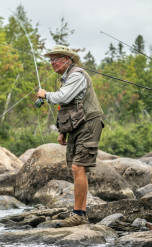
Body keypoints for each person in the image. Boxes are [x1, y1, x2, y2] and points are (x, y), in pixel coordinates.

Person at [36, 45, 104, 227]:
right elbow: (69, 108)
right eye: (50, 60)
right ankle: (79, 212)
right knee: (76, 168)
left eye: (55, 59)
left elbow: (63, 98)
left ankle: (79, 214)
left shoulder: (76, 75)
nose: (52, 63)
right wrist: (62, 131)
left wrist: (45, 95)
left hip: (89, 123)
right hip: (77, 126)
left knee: (78, 167)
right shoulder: (67, 78)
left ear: (67, 59)